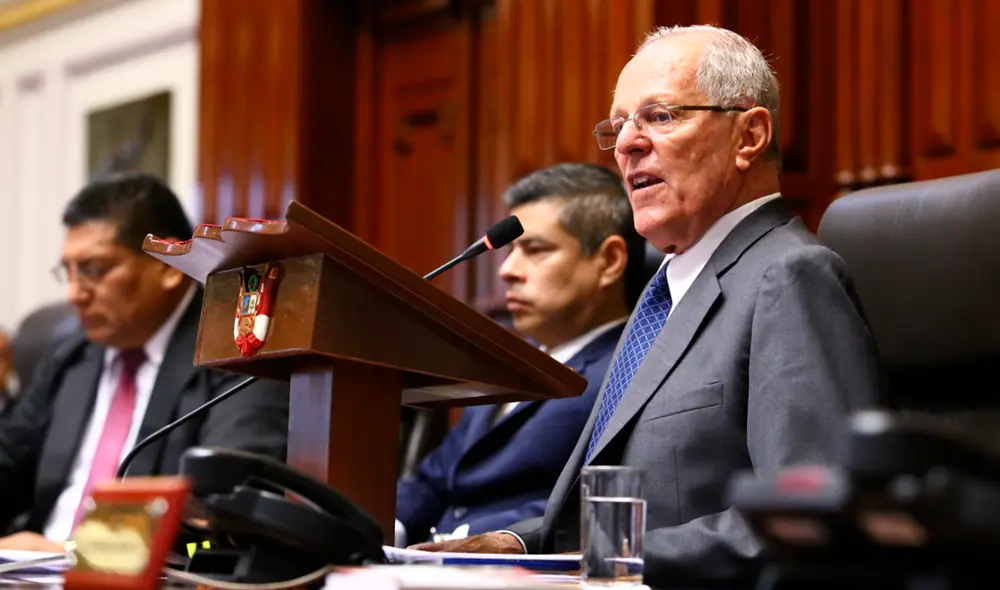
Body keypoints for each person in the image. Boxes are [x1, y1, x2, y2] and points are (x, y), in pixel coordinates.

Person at [408, 25, 883, 585]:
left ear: (749, 136)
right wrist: (513, 544)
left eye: (660, 117)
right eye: (619, 125)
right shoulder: (666, 291)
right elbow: (619, 520)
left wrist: (582, 569)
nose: (628, 144)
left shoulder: (787, 275)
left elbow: (811, 518)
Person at [0, 173, 290, 551]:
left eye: (94, 270)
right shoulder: (71, 356)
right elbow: (7, 461)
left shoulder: (238, 353)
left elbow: (223, 506)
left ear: (169, 264)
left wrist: (78, 555)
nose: (74, 294)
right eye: (68, 272)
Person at [395, 163, 647, 546]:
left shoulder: (632, 367)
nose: (507, 270)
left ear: (609, 261)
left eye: (535, 250)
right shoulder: (507, 360)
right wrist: (370, 527)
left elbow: (593, 505)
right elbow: (433, 480)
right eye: (512, 250)